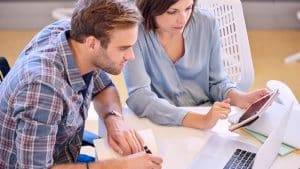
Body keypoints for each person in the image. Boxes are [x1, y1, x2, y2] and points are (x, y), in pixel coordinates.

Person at [0, 0, 162, 168]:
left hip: (65, 151)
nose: (131, 56)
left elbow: (104, 87)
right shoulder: (44, 89)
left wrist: (113, 119)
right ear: (92, 43)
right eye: (123, 48)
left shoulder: (72, 35)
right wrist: (119, 166)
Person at [123, 0, 268, 129]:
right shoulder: (133, 33)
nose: (183, 19)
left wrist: (242, 98)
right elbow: (140, 96)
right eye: (172, 11)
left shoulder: (206, 22)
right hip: (162, 123)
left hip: (208, 118)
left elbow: (216, 82)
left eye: (188, 8)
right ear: (150, 6)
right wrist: (199, 120)